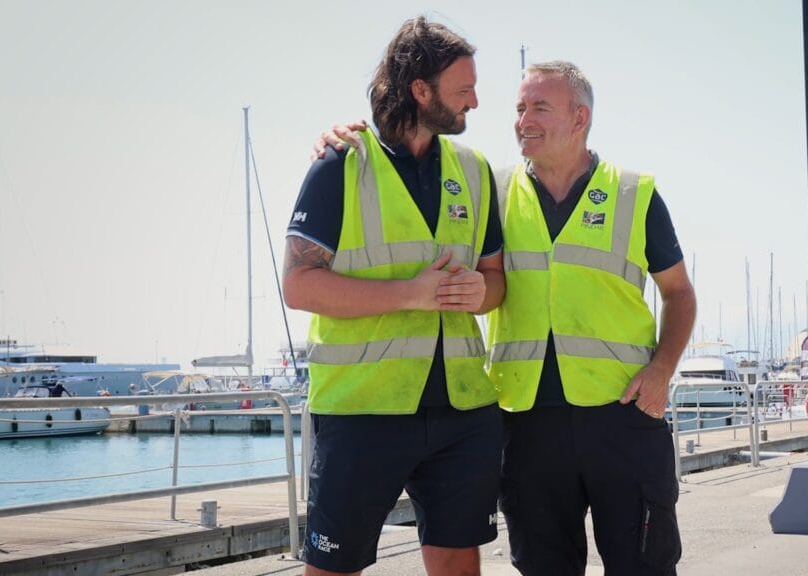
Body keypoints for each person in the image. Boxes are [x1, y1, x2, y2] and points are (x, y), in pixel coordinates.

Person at [318, 61, 695, 576]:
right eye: (519, 108)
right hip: (527, 425)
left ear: (580, 116)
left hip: (624, 415)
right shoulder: (489, 191)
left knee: (645, 568)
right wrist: (349, 134)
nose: (523, 120)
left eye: (539, 107)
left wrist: (662, 370)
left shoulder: (635, 194)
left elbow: (678, 293)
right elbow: (416, 161)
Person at [283, 17, 505, 576]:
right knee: (335, 567)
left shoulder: (475, 172)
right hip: (362, 409)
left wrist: (481, 291)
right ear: (420, 90)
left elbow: (495, 282)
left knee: (458, 560)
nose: (475, 102)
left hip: (461, 410)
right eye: (463, 90)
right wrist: (412, 293)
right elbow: (298, 284)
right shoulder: (341, 164)